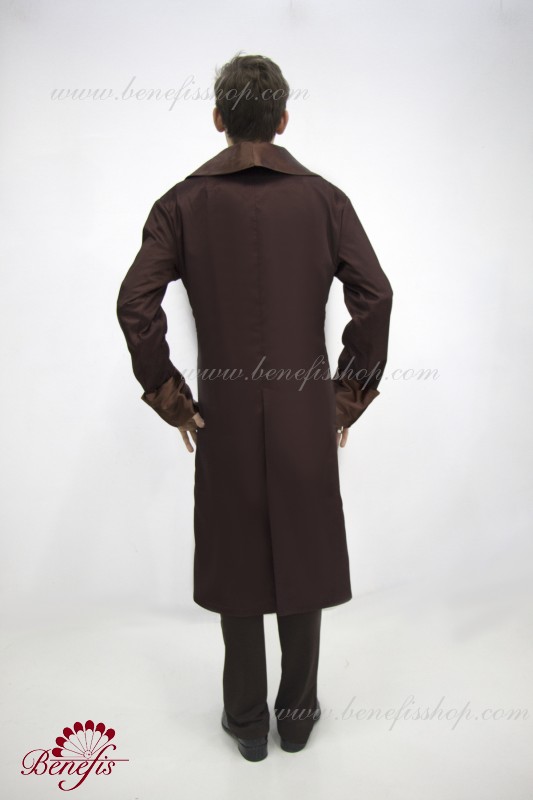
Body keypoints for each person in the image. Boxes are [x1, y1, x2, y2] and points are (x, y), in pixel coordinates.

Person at [116, 52, 393, 762]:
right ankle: (296, 719)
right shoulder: (326, 201)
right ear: (283, 120)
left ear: (218, 118)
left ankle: (245, 723)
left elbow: (135, 304)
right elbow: (375, 295)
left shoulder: (180, 205)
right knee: (302, 547)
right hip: (305, 412)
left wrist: (174, 400)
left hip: (226, 414)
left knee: (237, 554)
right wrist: (344, 398)